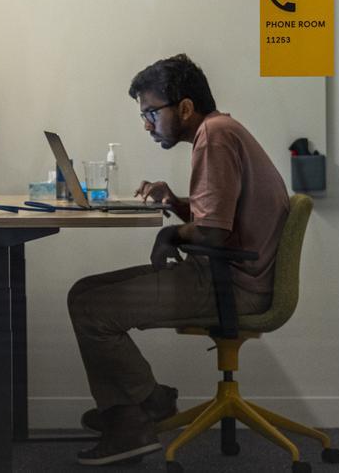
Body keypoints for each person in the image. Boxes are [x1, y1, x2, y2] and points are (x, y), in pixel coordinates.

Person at [67, 54, 289, 466]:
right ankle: (145, 401)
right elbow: (218, 220)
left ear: (185, 107)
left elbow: (211, 234)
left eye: (151, 112)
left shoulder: (215, 136)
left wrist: (170, 232)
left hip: (232, 285)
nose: (146, 124)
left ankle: (132, 418)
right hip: (226, 273)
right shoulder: (222, 131)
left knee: (89, 307)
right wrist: (176, 205)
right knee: (84, 291)